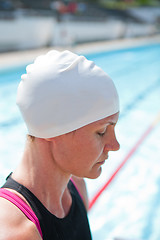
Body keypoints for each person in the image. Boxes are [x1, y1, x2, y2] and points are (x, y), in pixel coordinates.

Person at [0, 50, 120, 240]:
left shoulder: (76, 188)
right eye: (101, 132)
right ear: (51, 130)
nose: (115, 145)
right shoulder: (17, 232)